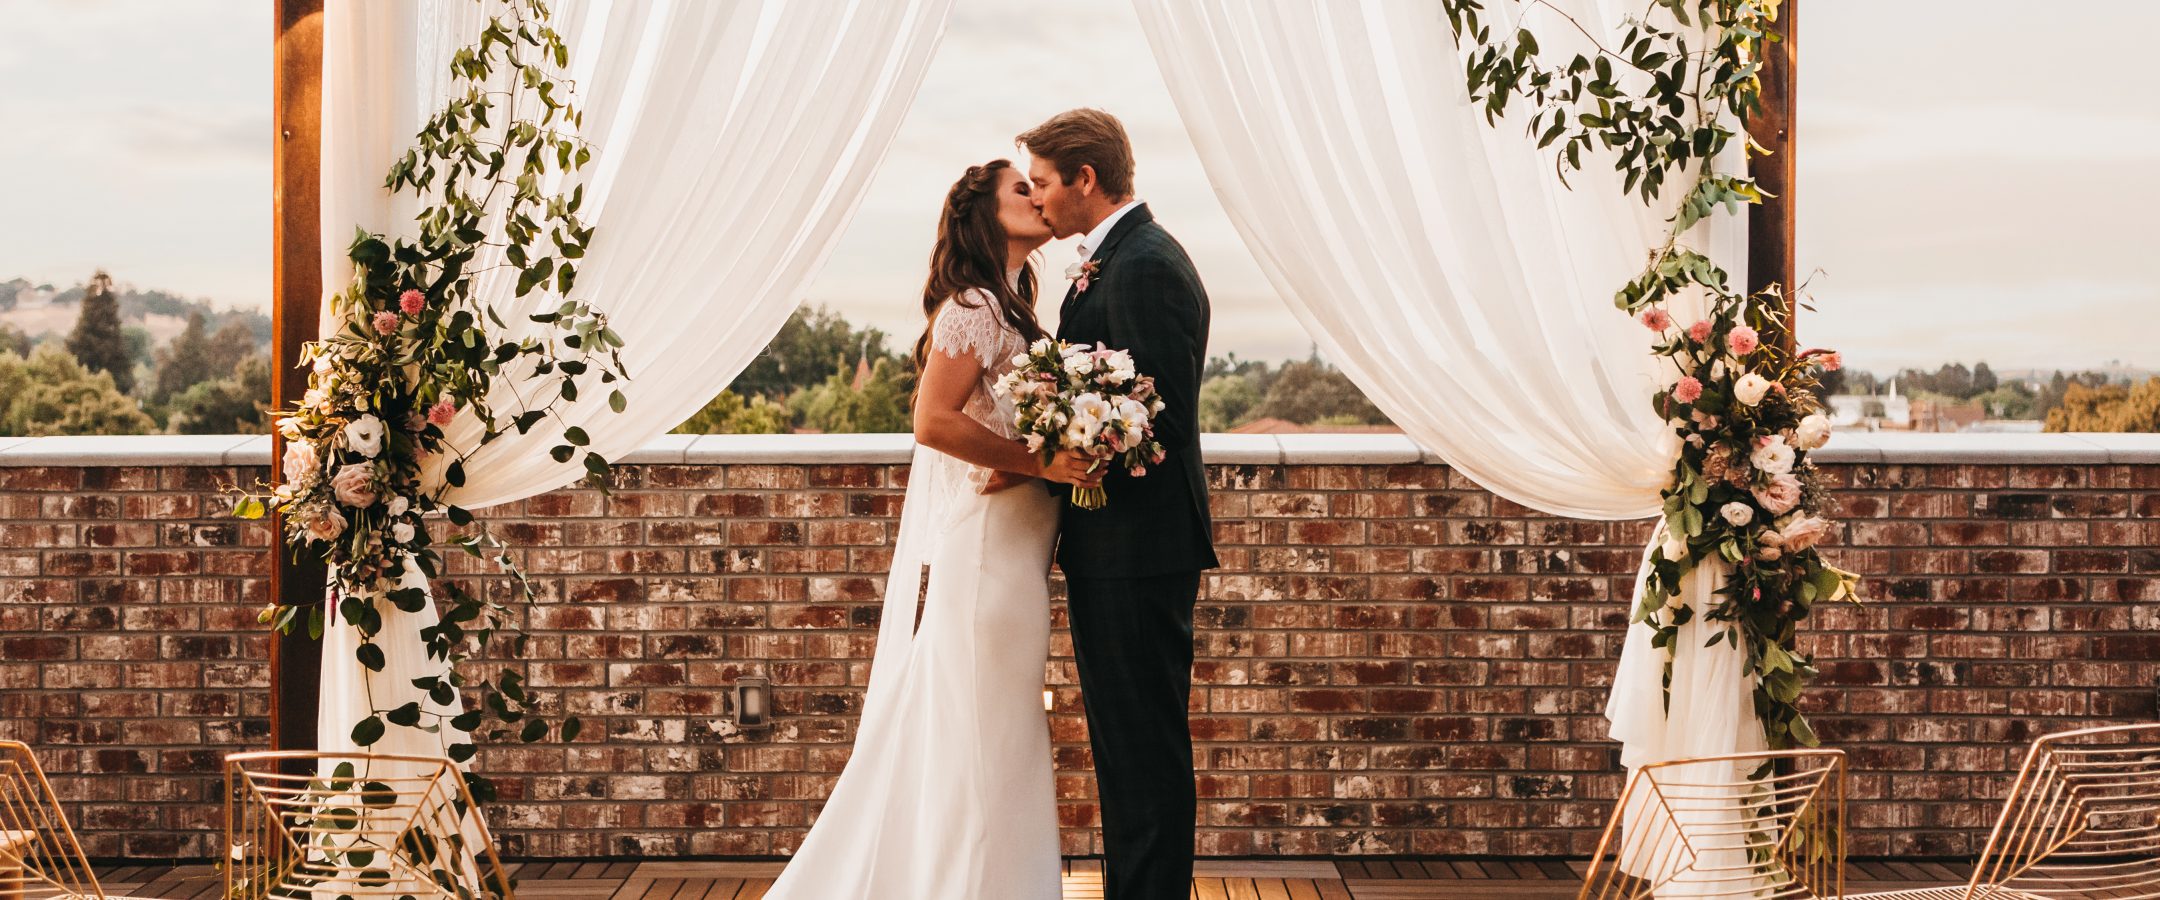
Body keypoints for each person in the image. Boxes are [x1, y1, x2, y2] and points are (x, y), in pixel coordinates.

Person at [761, 158, 1104, 899]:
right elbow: (933, 422)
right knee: (985, 732)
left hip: (1015, 552)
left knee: (996, 731)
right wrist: (1042, 462)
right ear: (985, 213)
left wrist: (1044, 456)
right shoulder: (973, 306)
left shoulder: (1013, 305)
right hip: (984, 552)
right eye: (1023, 189)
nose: (1038, 198)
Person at [1019, 107, 1219, 900]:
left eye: (1042, 184)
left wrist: (1054, 449)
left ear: (1086, 179)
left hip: (1139, 549)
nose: (1037, 201)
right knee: (1128, 749)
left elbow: (1154, 415)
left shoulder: (1145, 265)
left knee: (1142, 750)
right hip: (1121, 549)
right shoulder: (1122, 256)